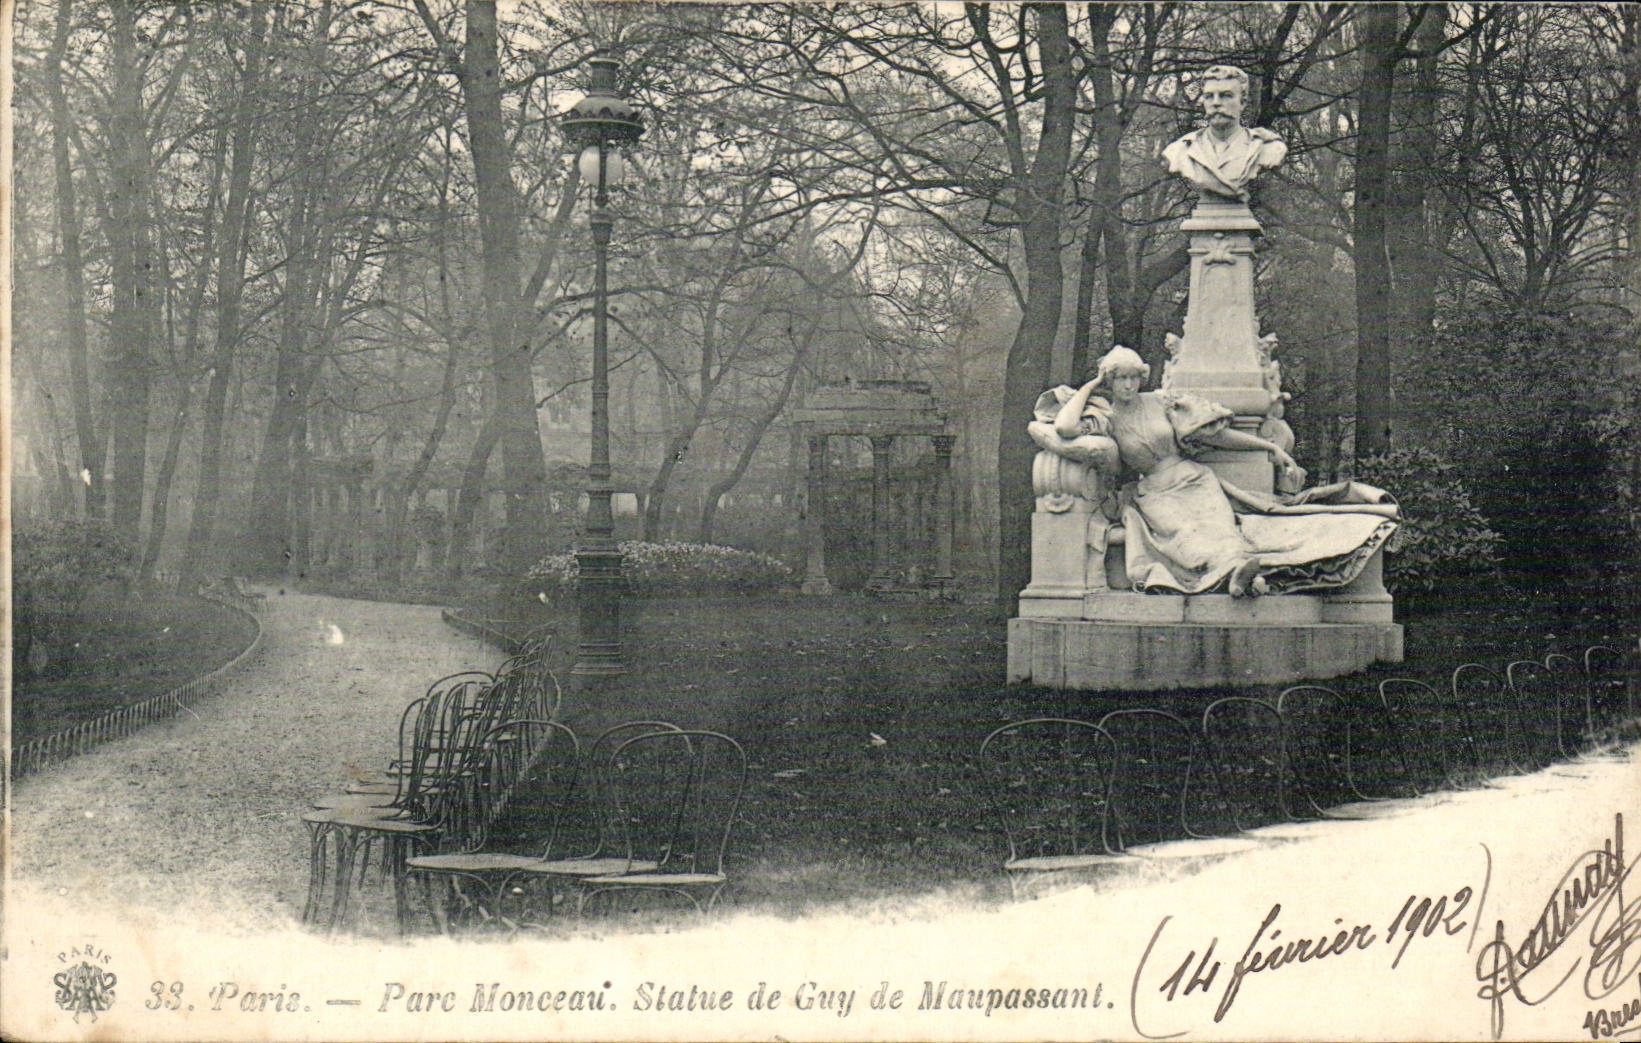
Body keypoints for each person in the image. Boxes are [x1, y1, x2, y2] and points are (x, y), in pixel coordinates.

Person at [1031, 346, 1398, 598]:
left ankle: (1239, 572)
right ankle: (1238, 576)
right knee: (1188, 534)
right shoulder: (1105, 416)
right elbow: (1064, 429)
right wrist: (1091, 386)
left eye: (1133, 377)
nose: (1128, 385)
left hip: (1194, 479)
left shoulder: (1161, 402)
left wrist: (1269, 447)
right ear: (1108, 381)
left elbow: (1218, 436)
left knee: (1221, 528)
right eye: (1119, 379)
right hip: (1154, 493)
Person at [1162, 65, 1286, 202]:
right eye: (1209, 96)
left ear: (1242, 102)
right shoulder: (1180, 150)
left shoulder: (1266, 148)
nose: (1216, 103)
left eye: (1225, 96)